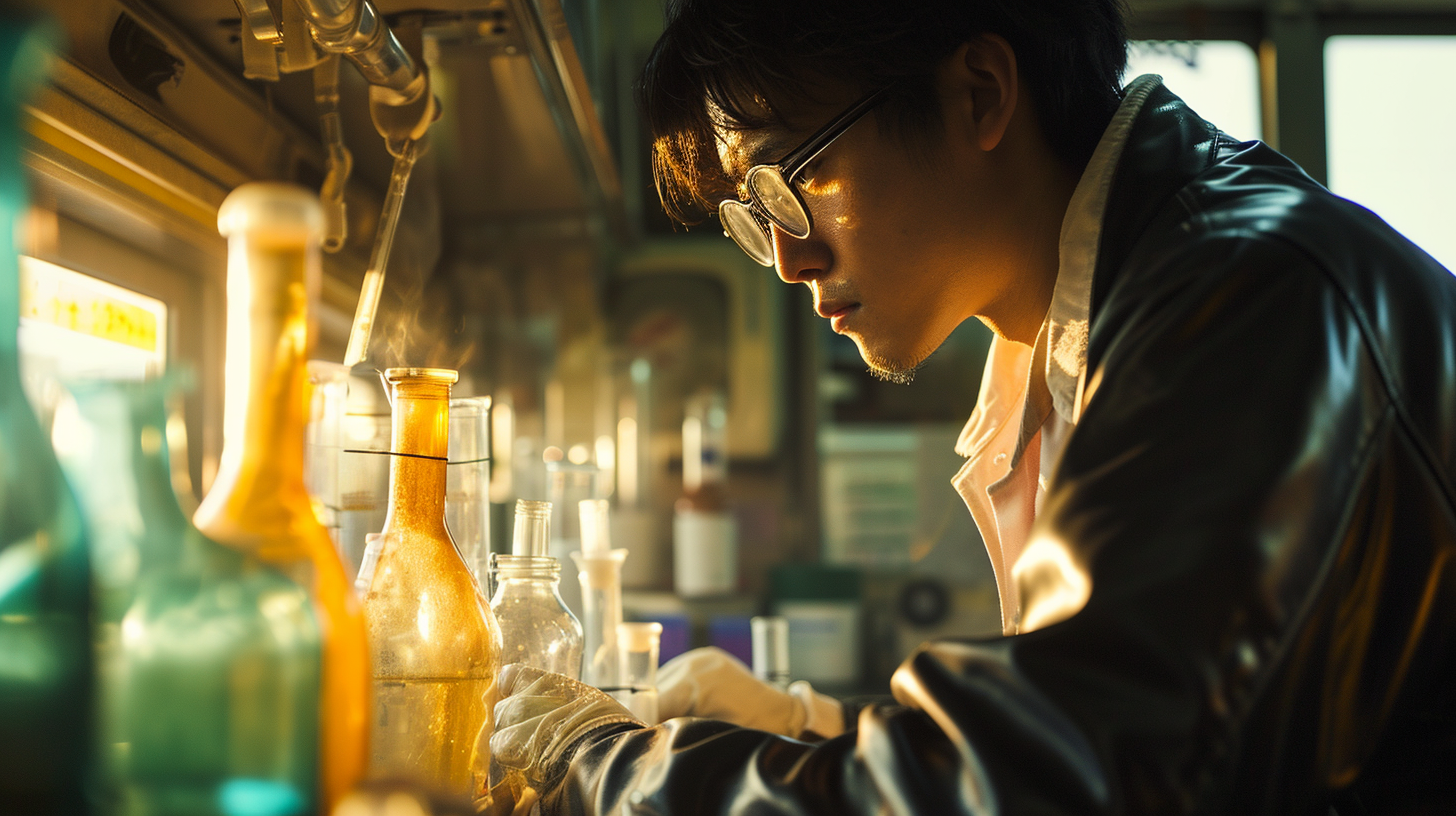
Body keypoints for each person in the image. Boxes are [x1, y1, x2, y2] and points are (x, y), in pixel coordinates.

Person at [488, 0, 1456, 813]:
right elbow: (1078, 720)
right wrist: (811, 729)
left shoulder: (1242, 308)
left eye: (790, 180)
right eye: (755, 212)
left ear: (980, 93)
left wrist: (609, 766)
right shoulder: (1091, 322)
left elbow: (1032, 786)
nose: (787, 257)